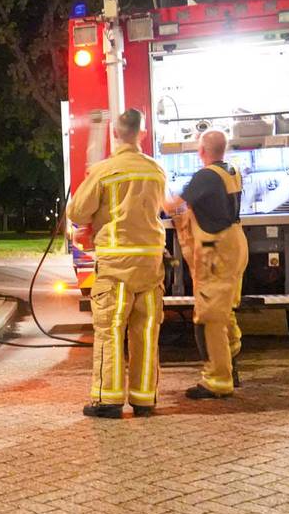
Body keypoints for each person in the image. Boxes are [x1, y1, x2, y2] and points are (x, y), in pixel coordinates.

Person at [66, 109, 167, 418]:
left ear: (115, 134)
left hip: (116, 264)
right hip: (151, 265)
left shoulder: (105, 171)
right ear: (142, 134)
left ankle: (107, 400)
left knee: (110, 329)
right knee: (146, 331)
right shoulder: (156, 170)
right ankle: (144, 399)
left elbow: (77, 212)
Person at [168, 129, 248, 399]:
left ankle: (217, 379)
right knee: (226, 310)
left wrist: (155, 192)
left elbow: (172, 205)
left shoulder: (205, 176)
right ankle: (231, 362)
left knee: (209, 317)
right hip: (236, 244)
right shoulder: (231, 171)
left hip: (216, 252)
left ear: (201, 151)